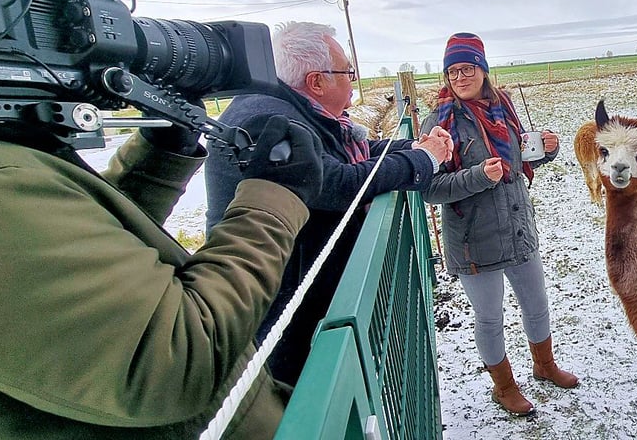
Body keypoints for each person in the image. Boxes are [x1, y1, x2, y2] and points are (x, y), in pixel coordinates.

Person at [0, 109, 325, 438]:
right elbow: (177, 355)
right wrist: (273, 202)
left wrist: (161, 155)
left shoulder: (0, 159)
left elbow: (85, 246)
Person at [204, 21, 453, 386]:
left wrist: (412, 147)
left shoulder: (292, 108)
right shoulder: (267, 119)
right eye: (347, 73)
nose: (353, 82)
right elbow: (336, 183)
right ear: (316, 81)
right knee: (310, 391)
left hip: (306, 286)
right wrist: (423, 161)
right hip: (282, 304)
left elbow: (352, 157)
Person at [419, 32, 578, 416]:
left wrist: (545, 152)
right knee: (490, 318)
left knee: (537, 306)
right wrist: (478, 176)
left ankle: (544, 365)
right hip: (474, 240)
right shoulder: (439, 123)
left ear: (483, 70)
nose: (460, 77)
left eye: (467, 68)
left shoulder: (503, 106)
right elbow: (429, 189)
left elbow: (516, 160)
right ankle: (504, 386)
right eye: (452, 71)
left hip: (518, 227)